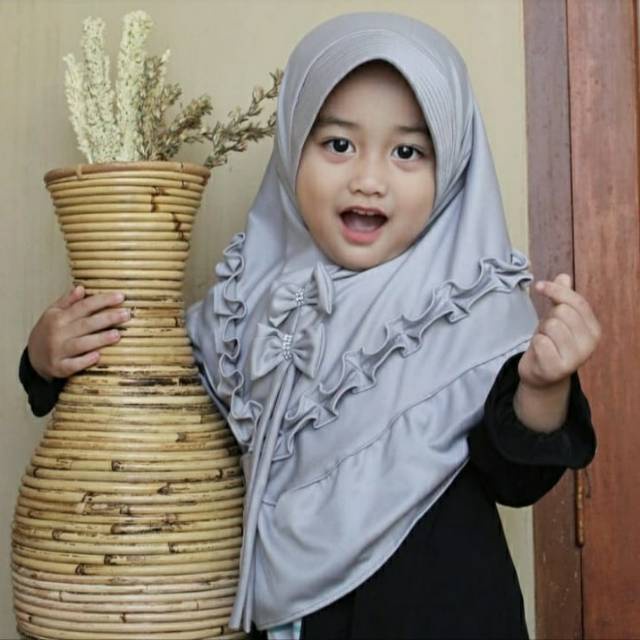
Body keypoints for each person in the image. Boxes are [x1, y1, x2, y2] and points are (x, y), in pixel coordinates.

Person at [20, 12, 600, 640]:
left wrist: (543, 387)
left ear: (453, 165)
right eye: (338, 145)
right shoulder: (246, 305)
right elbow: (150, 401)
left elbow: (515, 482)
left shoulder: (474, 311)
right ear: (292, 145)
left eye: (407, 152)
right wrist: (46, 358)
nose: (368, 180)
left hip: (438, 615)